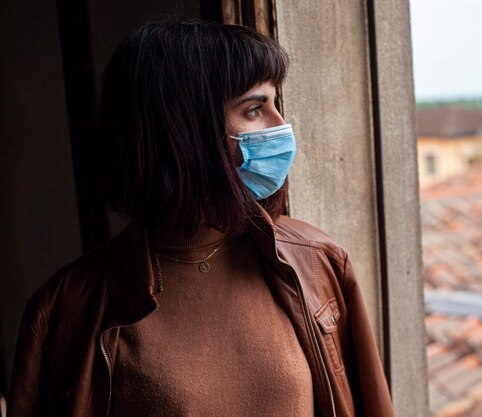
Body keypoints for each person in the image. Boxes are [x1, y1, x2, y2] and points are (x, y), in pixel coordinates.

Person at [8, 19, 394, 417]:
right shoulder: (68, 307)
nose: (282, 127)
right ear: (184, 129)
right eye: (255, 108)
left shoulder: (316, 261)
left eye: (275, 104)